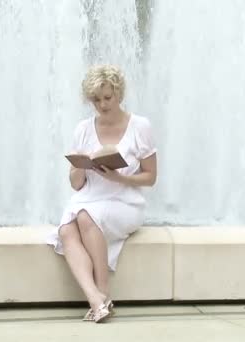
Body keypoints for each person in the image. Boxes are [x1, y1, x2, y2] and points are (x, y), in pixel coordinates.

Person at [46, 64, 157, 323]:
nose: (102, 105)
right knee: (65, 230)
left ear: (118, 94)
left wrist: (117, 176)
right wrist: (80, 166)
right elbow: (75, 184)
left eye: (107, 98)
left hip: (126, 201)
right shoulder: (83, 129)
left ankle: (104, 292)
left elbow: (151, 177)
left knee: (85, 217)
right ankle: (96, 298)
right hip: (88, 197)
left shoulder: (140, 126)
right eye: (96, 100)